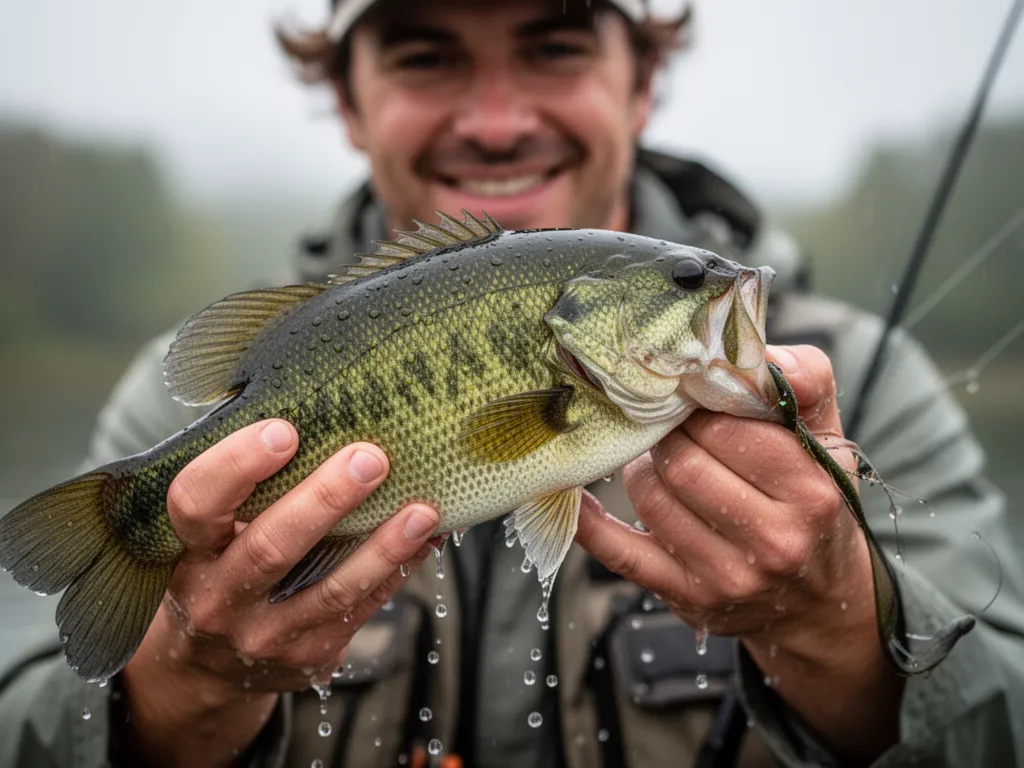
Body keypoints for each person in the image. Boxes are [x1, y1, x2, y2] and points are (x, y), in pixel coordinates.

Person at [1, 0, 1023, 765]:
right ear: (348, 103)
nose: (495, 119)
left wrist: (841, 625)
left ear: (641, 80)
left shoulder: (854, 389)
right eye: (426, 55)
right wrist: (181, 689)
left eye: (554, 42)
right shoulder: (186, 414)